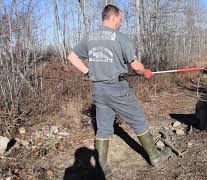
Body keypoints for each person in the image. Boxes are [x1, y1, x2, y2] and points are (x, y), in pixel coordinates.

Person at [67, 5, 171, 175]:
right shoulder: (120, 37)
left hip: (99, 90)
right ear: (114, 17)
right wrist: (145, 72)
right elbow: (135, 66)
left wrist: (88, 72)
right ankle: (155, 157)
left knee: (103, 129)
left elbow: (71, 56)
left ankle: (99, 169)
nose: (120, 23)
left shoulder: (89, 37)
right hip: (118, 89)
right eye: (120, 20)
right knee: (138, 120)